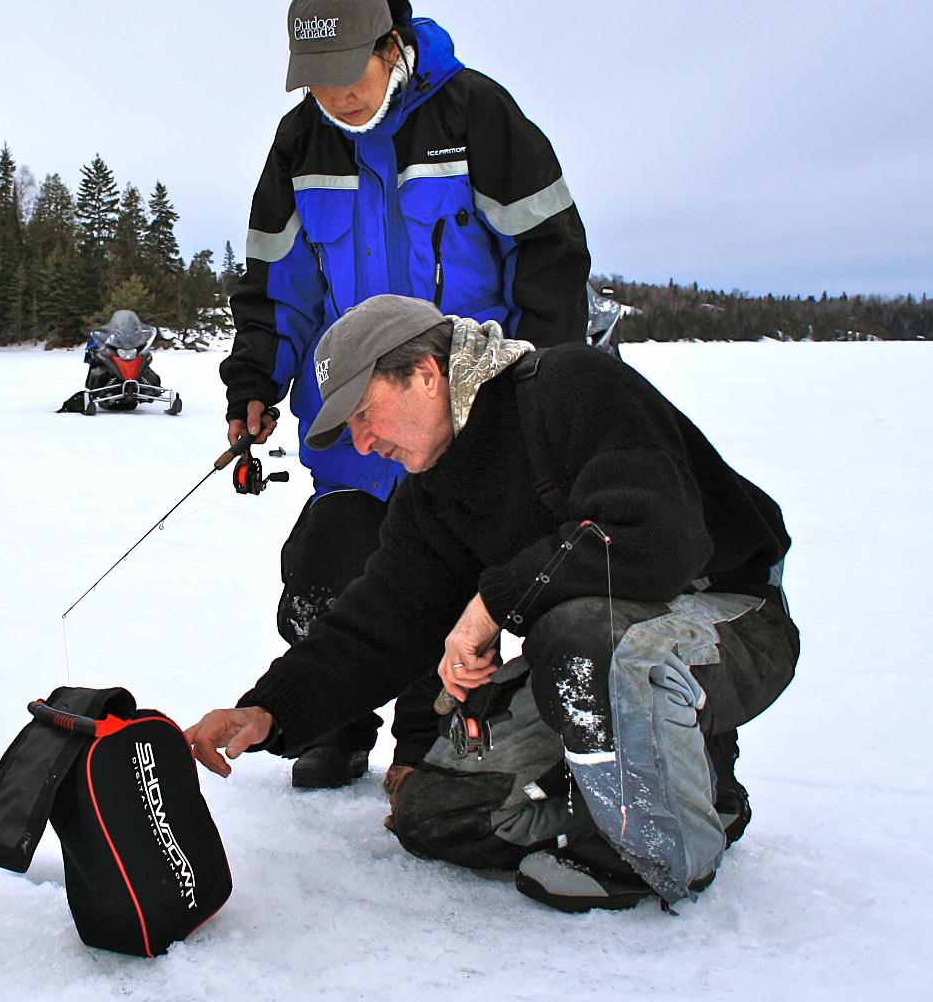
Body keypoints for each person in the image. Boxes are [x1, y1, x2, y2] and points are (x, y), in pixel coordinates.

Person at [188, 295, 798, 911]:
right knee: (434, 815)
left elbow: (657, 538)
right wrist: (267, 713)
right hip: (583, 649)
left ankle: (673, 842)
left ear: (426, 374)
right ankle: (627, 791)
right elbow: (378, 626)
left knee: (583, 637)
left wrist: (490, 604)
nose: (364, 445)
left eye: (365, 415)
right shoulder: (433, 495)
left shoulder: (571, 386)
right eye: (351, 431)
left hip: (726, 620)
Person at [221, 0, 593, 792]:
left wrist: (535, 393)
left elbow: (552, 261)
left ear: (392, 46)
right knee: (331, 561)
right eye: (315, 82)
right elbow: (276, 286)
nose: (336, 96)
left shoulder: (477, 114)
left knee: (450, 569)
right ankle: (335, 724)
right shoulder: (300, 143)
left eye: (348, 74)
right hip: (356, 420)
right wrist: (255, 379)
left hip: (462, 412)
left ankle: (431, 734)